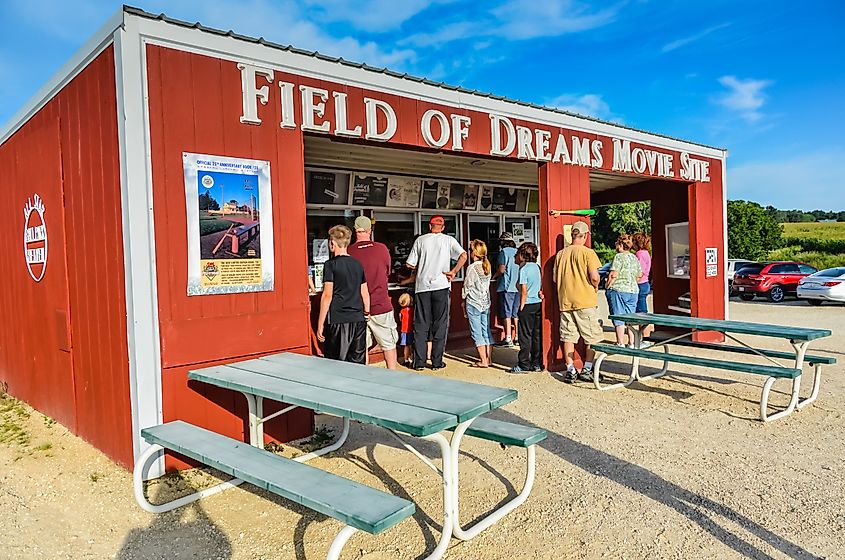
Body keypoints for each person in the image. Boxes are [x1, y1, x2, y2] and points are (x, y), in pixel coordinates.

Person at [406, 215, 467, 370]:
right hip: (442, 285)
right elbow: (463, 255)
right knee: (440, 324)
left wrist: (423, 264)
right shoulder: (448, 240)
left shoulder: (420, 240)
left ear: (429, 226)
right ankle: (437, 362)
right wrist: (453, 271)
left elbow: (409, 264)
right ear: (443, 227)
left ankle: (419, 362)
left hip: (422, 287)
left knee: (421, 324)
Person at [552, 220, 603, 383]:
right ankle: (587, 368)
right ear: (585, 235)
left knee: (568, 336)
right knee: (592, 337)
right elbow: (595, 276)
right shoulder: (588, 253)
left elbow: (554, 278)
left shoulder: (560, 255)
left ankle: (570, 369)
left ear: (572, 235)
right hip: (585, 300)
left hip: (566, 301)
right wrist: (595, 286)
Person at [348, 216, 399, 369]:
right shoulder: (382, 248)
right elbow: (388, 271)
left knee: (361, 347)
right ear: (370, 230)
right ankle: (393, 376)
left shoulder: (349, 251)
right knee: (388, 344)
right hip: (381, 304)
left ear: (355, 231)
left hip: (357, 307)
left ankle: (365, 380)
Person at [316, 225, 370, 364]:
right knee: (357, 361)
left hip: (338, 319)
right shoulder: (358, 264)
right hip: (358, 318)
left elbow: (327, 295)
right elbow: (364, 292)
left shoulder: (330, 265)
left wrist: (320, 323)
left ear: (332, 243)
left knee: (337, 363)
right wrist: (367, 311)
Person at [606, 234, 642, 347]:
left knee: (619, 316)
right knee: (631, 317)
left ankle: (620, 342)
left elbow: (614, 274)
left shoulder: (618, 257)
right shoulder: (634, 257)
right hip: (633, 290)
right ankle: (632, 342)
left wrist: (608, 285)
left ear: (620, 244)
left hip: (619, 289)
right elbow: (639, 274)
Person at [512, 242, 543, 373]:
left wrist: (521, 306)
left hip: (527, 303)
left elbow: (523, 290)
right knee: (536, 334)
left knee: (525, 335)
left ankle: (523, 363)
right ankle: (536, 362)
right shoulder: (537, 267)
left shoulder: (524, 269)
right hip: (537, 303)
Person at [462, 240, 493, 368]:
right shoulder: (487, 266)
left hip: (474, 302)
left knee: (477, 332)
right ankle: (489, 358)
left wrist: (462, 300)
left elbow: (467, 286)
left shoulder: (472, 268)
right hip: (485, 301)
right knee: (486, 331)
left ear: (474, 253)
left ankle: (483, 360)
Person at [493, 231, 520, 347]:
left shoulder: (503, 252)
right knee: (516, 313)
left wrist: (494, 276)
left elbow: (502, 269)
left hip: (507, 286)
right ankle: (517, 336)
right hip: (518, 286)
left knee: (506, 313)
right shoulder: (518, 252)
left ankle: (508, 337)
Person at [633, 232, 654, 340]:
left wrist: (633, 281)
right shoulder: (646, 253)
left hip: (640, 284)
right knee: (642, 310)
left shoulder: (639, 254)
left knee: (642, 312)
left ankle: (646, 337)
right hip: (645, 283)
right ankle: (643, 335)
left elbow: (639, 271)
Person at [397, 292, 414, 367]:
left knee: (406, 346)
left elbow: (400, 319)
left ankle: (406, 359)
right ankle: (413, 358)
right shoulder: (413, 310)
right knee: (412, 345)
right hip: (412, 329)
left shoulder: (401, 311)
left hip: (404, 330)